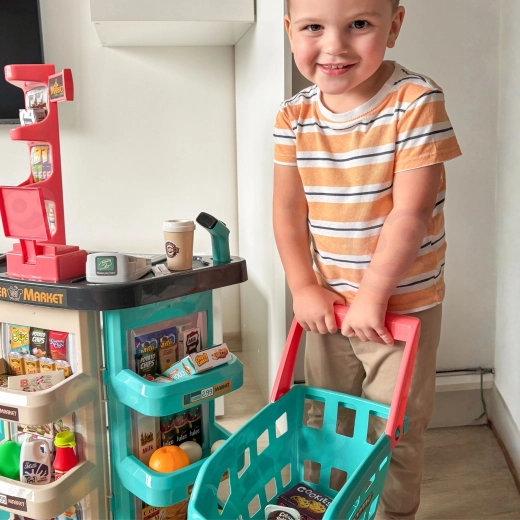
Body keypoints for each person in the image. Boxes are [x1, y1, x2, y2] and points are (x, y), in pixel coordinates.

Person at [273, 0, 462, 518]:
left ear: (393, 25)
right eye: (313, 27)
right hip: (329, 306)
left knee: (392, 426)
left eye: (358, 24)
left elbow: (411, 214)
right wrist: (303, 286)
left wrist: (375, 294)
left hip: (401, 306)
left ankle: (392, 513)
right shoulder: (293, 115)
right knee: (324, 419)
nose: (334, 46)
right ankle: (325, 508)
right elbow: (288, 212)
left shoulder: (415, 101)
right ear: (290, 31)